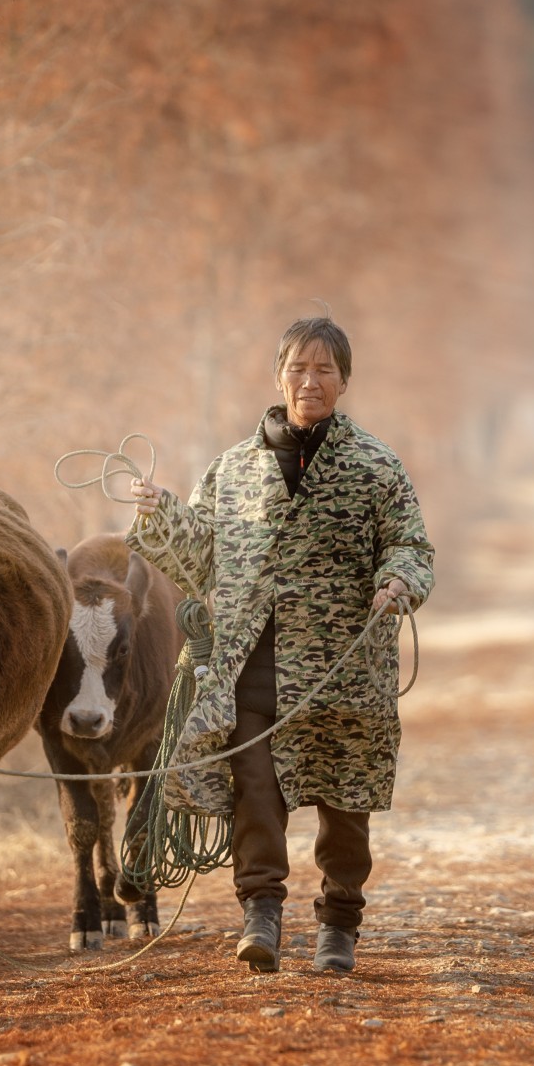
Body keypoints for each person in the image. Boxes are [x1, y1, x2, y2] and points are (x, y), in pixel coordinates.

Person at [121, 316, 434, 974]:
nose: (309, 382)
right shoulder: (231, 469)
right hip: (251, 663)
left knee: (345, 801)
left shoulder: (377, 466)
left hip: (345, 668)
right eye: (298, 368)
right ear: (278, 378)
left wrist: (399, 580)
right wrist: (160, 512)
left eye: (324, 370)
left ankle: (339, 922)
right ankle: (260, 912)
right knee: (255, 790)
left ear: (344, 381)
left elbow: (410, 544)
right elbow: (200, 557)